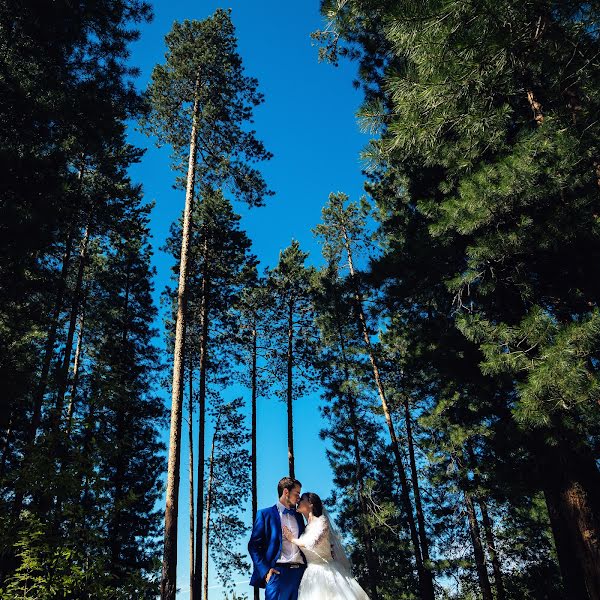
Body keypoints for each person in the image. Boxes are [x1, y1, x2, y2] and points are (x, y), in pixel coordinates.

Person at [283, 492, 370, 600]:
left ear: (310, 504)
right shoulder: (305, 529)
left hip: (327, 572)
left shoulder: (322, 521)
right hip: (310, 576)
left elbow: (313, 542)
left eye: (302, 499)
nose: (298, 502)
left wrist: (292, 539)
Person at [248, 476, 307, 600]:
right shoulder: (265, 514)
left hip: (301, 575)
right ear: (286, 492)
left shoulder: (299, 516)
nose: (298, 498)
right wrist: (266, 571)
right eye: (296, 493)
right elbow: (253, 547)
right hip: (278, 574)